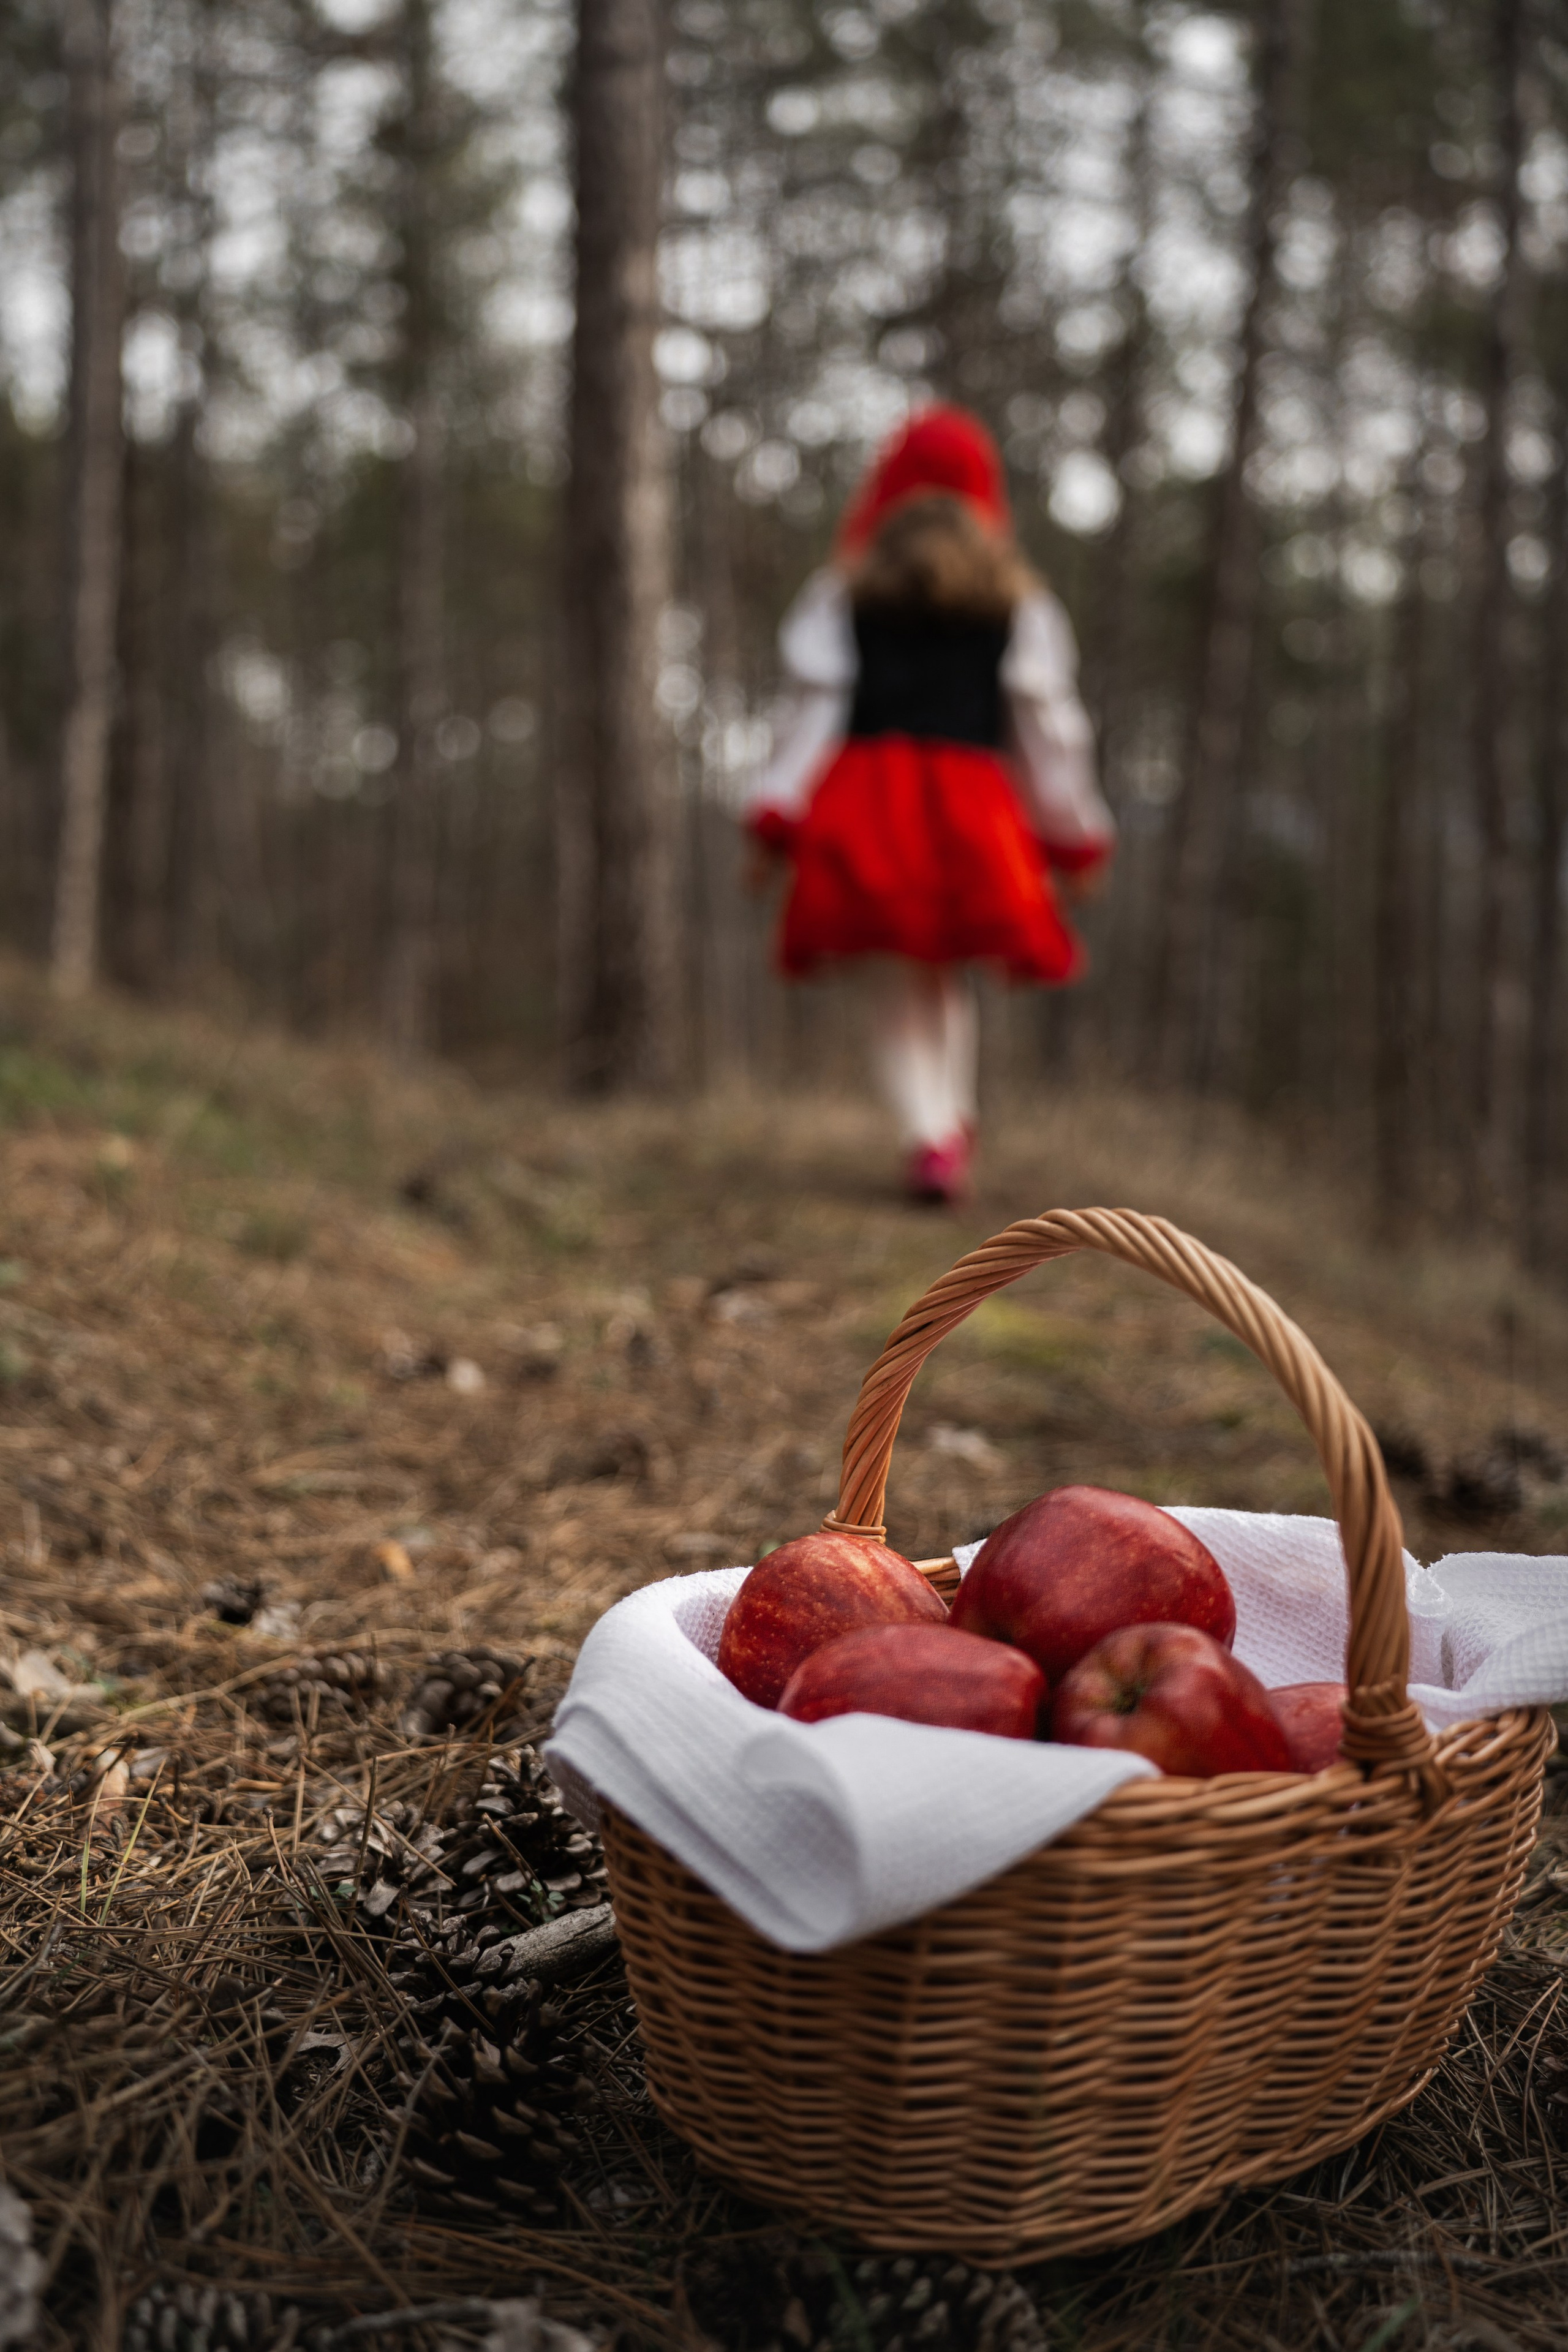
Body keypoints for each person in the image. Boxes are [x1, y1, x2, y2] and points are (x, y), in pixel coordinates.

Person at [742, 405, 1114, 1204]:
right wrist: (1074, 834)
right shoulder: (1017, 602)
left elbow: (807, 716)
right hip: (971, 810)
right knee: (939, 978)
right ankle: (943, 1128)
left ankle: (934, 1134)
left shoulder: (845, 594)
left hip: (870, 806)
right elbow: (1046, 730)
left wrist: (776, 815)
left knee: (904, 981)